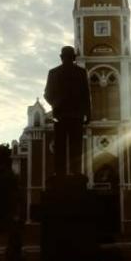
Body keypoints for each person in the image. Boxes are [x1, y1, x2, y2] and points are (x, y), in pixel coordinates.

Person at [44, 46, 91, 176]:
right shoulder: (54, 73)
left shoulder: (80, 72)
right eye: (67, 57)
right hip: (66, 116)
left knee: (72, 146)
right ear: (62, 58)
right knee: (63, 145)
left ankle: (70, 171)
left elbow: (86, 94)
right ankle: (63, 172)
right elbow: (47, 94)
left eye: (69, 57)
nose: (68, 59)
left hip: (71, 116)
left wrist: (55, 104)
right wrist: (56, 104)